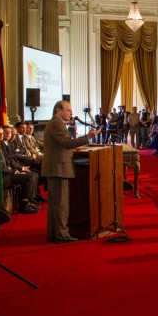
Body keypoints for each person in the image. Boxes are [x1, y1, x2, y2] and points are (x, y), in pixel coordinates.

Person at [41, 100, 101, 243]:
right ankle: (61, 234)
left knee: (56, 204)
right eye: (68, 110)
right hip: (58, 168)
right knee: (61, 204)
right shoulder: (56, 123)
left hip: (57, 167)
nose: (71, 114)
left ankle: (54, 233)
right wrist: (89, 136)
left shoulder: (57, 123)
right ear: (58, 111)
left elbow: (62, 144)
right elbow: (67, 143)